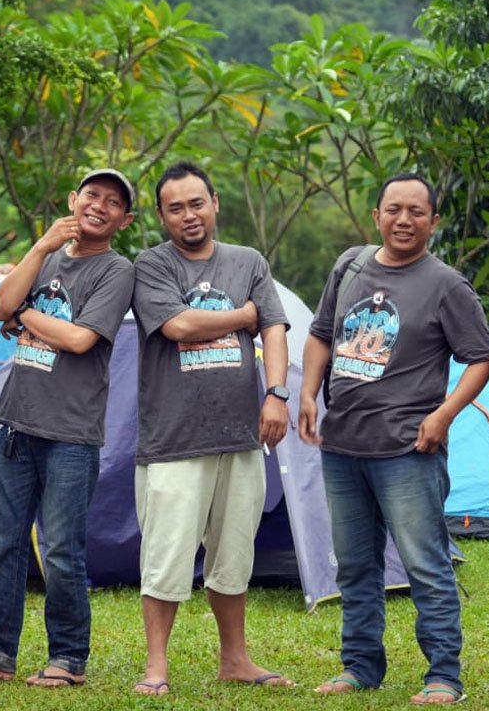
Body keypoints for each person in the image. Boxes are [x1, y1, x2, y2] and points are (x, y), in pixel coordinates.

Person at [0, 169, 137, 688]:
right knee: (4, 542)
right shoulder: (45, 259)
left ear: (125, 220)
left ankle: (68, 657)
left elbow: (79, 339)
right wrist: (42, 245)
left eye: (113, 202)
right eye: (92, 195)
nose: (100, 206)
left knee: (62, 550)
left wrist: (25, 314)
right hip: (16, 424)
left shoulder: (117, 271)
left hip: (71, 432)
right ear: (73, 200)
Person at [297, 173, 489, 704]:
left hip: (409, 448)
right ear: (377, 215)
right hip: (342, 444)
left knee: (425, 565)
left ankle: (444, 675)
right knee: (355, 565)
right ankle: (360, 665)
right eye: (393, 210)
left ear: (434, 221)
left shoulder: (447, 285)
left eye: (416, 212)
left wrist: (444, 415)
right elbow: (320, 334)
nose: (403, 220)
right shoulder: (351, 266)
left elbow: (481, 357)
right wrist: (309, 394)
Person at [129, 161, 294, 696]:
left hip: (241, 433)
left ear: (215, 203)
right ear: (162, 216)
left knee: (234, 552)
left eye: (196, 203)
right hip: (173, 439)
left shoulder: (248, 261)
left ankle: (235, 659)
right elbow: (178, 325)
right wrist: (243, 316)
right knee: (166, 554)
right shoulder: (151, 264)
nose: (189, 215)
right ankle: (156, 666)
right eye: (175, 208)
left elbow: (274, 326)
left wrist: (276, 394)